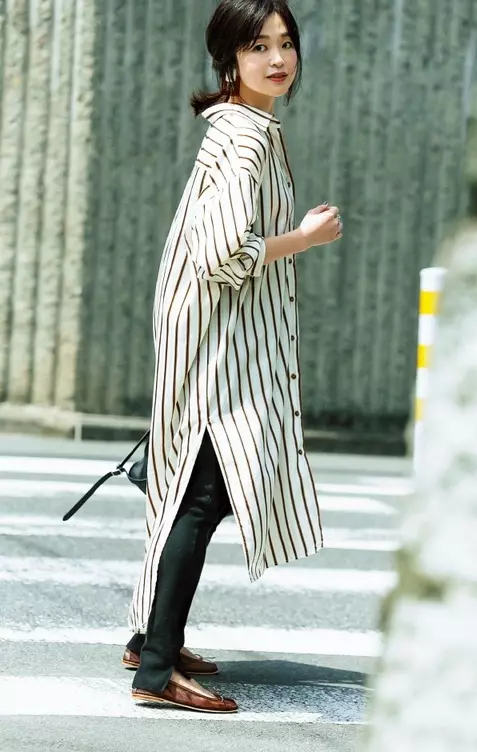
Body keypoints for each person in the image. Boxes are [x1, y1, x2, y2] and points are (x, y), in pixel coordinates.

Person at [126, 0, 343, 714]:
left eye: (286, 43)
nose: (277, 59)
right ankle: (156, 668)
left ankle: (148, 637)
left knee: (189, 488)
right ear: (230, 58)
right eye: (258, 46)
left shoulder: (244, 128)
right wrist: (304, 239)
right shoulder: (244, 139)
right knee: (203, 494)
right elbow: (224, 256)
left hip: (213, 336)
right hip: (220, 347)